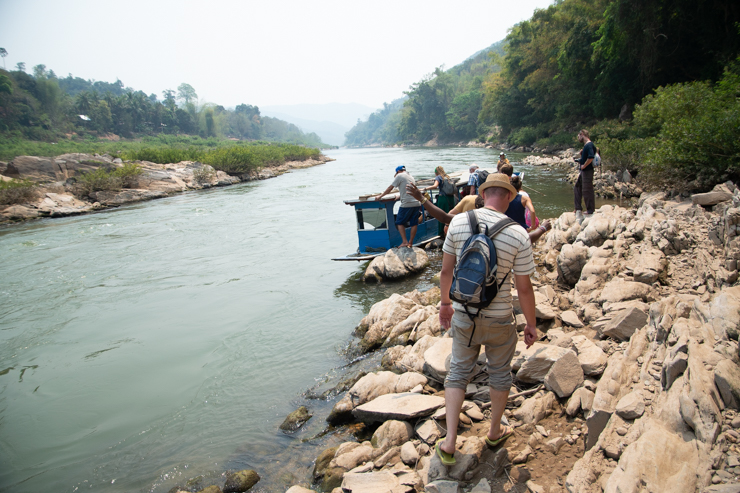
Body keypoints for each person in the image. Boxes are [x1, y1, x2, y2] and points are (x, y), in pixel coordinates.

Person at [435, 173, 538, 466]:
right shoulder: (518, 233)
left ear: (484, 194)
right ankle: (494, 432)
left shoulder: (457, 222)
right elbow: (524, 288)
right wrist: (531, 325)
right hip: (500, 319)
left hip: (464, 316)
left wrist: (445, 305)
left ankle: (450, 443)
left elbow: (446, 272)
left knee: (457, 373)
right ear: (507, 196)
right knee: (499, 373)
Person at [406, 183, 551, 243]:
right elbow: (527, 239)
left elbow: (443, 216)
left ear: (483, 195)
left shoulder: (467, 219)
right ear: (508, 198)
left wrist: (422, 198)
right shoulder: (509, 226)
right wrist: (543, 228)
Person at [375, 165, 421, 248]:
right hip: (416, 202)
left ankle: (404, 242)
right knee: (414, 223)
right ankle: (410, 243)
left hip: (407, 203)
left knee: (399, 222)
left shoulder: (400, 176)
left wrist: (380, 196)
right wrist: (400, 195)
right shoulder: (410, 176)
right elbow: (407, 189)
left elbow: (390, 188)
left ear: (397, 172)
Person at [422, 166, 456, 237]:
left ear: (436, 172)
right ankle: (451, 230)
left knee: (441, 215)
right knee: (450, 214)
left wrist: (425, 188)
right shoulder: (448, 177)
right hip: (450, 198)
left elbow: (435, 186)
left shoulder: (438, 177)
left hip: (443, 199)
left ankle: (442, 233)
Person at [574, 129, 596, 218]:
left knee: (587, 190)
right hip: (584, 171)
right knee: (577, 187)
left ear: (582, 134)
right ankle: (578, 208)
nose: (578, 138)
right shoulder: (587, 146)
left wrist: (584, 166)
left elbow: (591, 157)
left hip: (587, 171)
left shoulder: (589, 145)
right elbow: (588, 155)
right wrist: (582, 154)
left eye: (579, 136)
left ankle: (590, 210)